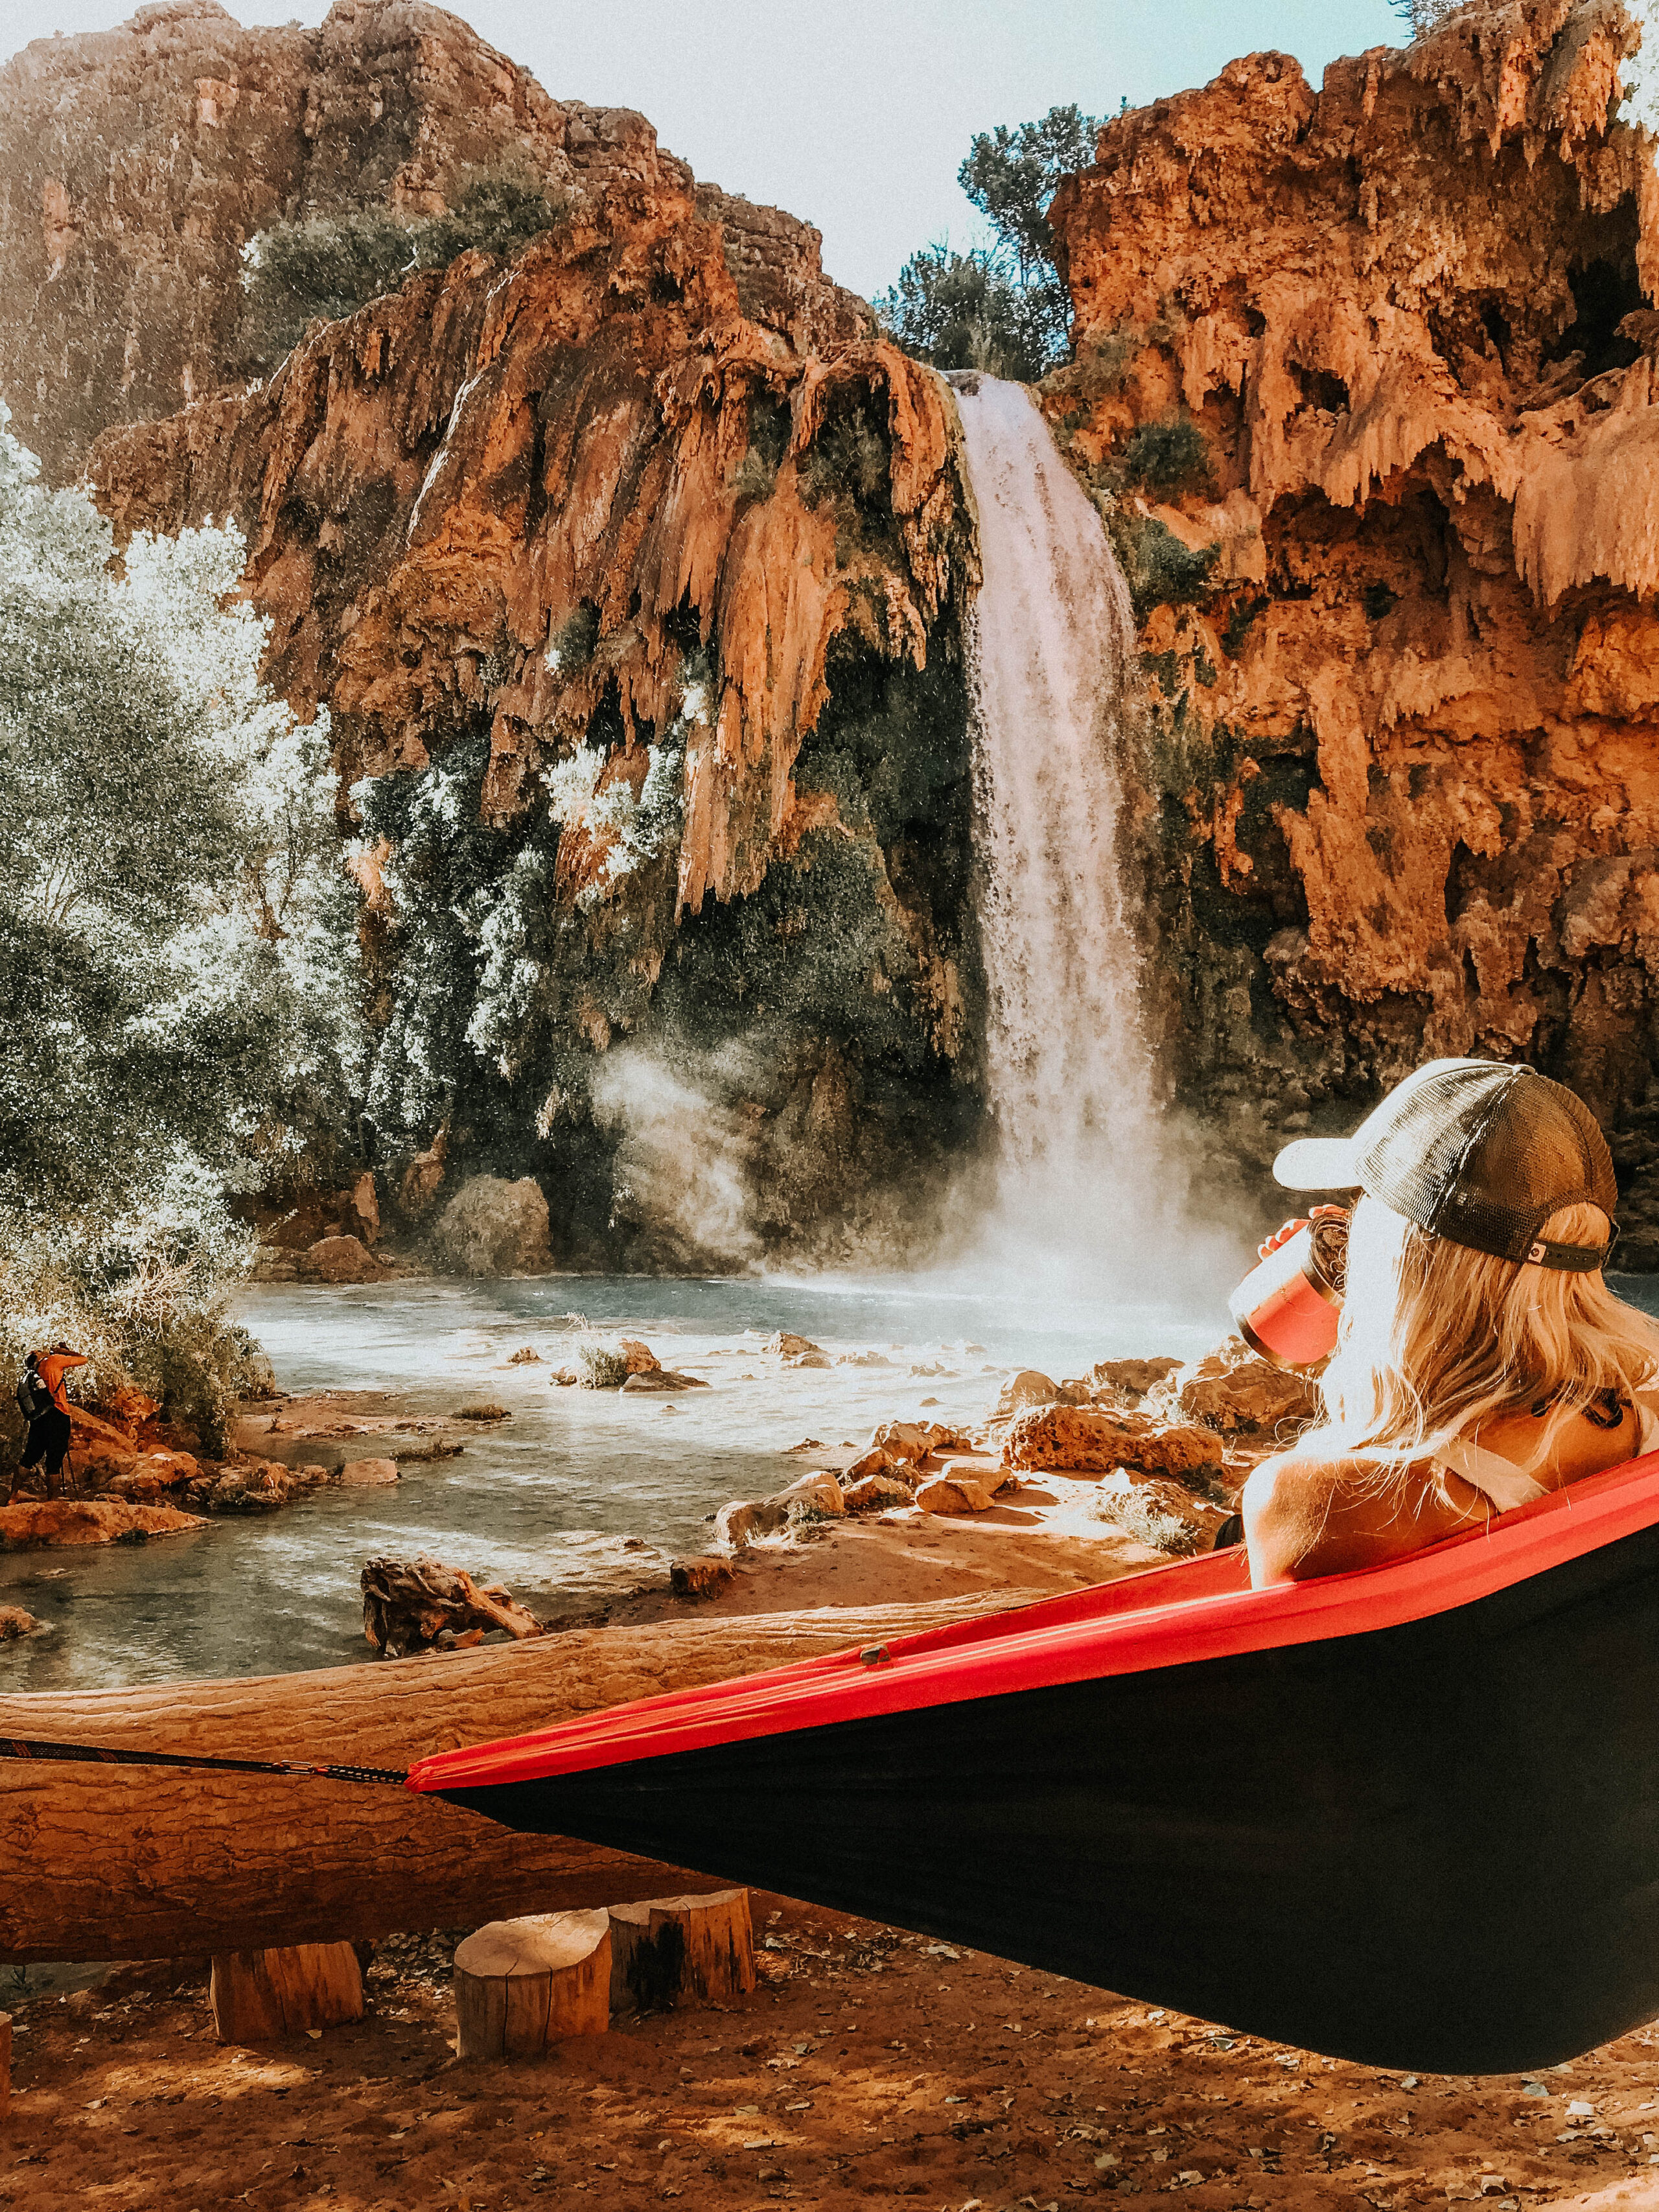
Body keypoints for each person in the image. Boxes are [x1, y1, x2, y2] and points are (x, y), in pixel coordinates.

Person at [1241, 1058, 1659, 1586]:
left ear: (1401, 1260)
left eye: (1363, 1205)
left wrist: (1364, 1327)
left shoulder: (1316, 1502)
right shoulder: (1643, 1425)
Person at [14, 1344, 88, 1500]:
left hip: (39, 1417)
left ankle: (12, 1497)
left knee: (29, 1457)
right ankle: (52, 1501)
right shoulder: (53, 1360)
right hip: (58, 1414)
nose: (44, 1350)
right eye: (40, 1350)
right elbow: (83, 1359)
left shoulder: (33, 1372)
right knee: (54, 1460)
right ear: (39, 1356)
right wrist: (64, 1352)